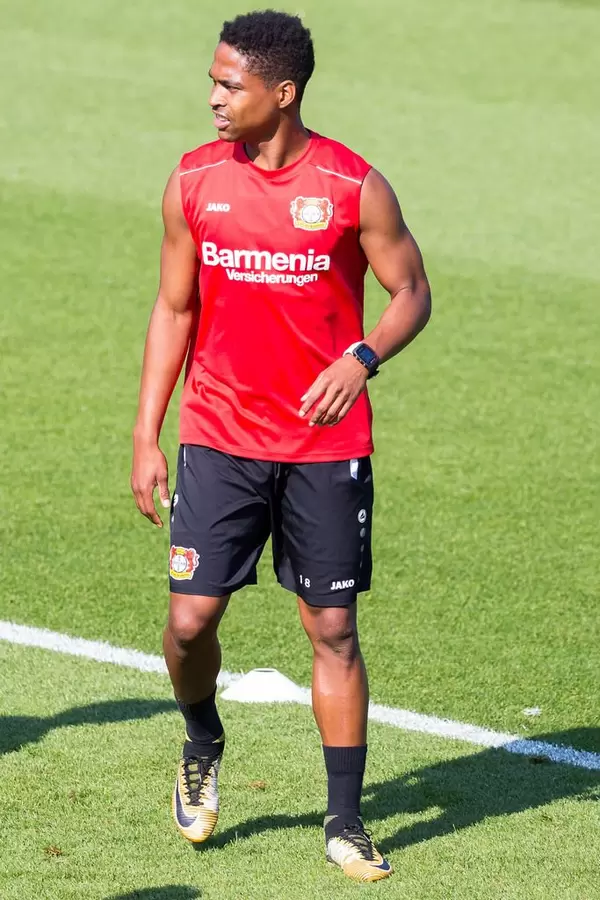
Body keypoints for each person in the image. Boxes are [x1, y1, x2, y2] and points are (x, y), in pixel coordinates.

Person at [131, 9, 431, 883]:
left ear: (282, 92)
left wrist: (362, 356)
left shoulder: (352, 186)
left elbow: (410, 289)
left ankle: (344, 820)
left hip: (322, 447)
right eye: (214, 82)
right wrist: (147, 433)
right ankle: (202, 741)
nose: (215, 98)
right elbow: (173, 309)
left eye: (231, 85)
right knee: (190, 621)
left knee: (332, 627)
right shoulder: (192, 182)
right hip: (219, 437)